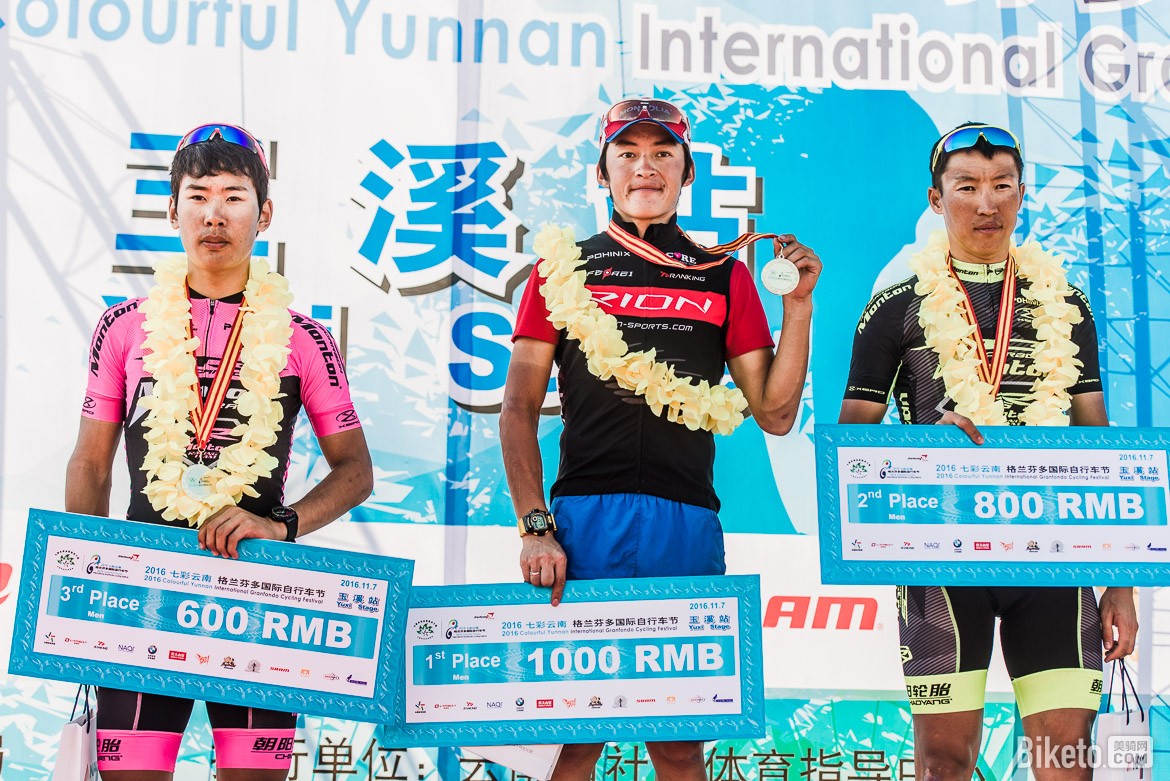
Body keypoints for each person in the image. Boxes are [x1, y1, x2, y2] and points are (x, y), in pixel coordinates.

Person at [499, 97, 822, 781]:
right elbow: (518, 409)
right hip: (584, 519)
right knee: (573, 737)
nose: (644, 167)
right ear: (603, 171)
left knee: (678, 743)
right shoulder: (562, 270)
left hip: (686, 520)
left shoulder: (724, 274)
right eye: (628, 153)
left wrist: (798, 308)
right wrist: (534, 526)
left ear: (686, 171)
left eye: (662, 153)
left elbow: (774, 412)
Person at [66, 123, 373, 781]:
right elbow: (91, 463)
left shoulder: (304, 338)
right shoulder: (122, 327)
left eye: (234, 197)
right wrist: (86, 578)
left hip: (256, 592)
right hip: (141, 591)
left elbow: (356, 471)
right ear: (172, 210)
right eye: (198, 196)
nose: (214, 214)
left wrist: (280, 524)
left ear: (265, 214)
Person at [838, 122, 1137, 781]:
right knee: (943, 763)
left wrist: (1121, 580)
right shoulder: (896, 308)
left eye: (1003, 185)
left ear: (1022, 195)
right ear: (936, 198)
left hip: (1051, 558)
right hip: (941, 563)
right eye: (967, 186)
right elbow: (853, 442)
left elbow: (1099, 439)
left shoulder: (1066, 303)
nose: (986, 203)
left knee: (1065, 759)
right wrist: (919, 457)